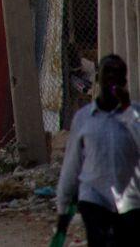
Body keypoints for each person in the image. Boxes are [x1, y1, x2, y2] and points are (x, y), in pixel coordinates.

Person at [56, 54, 140, 245]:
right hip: (94, 197)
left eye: (117, 74)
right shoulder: (84, 118)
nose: (112, 78)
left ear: (124, 81)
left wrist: (127, 111)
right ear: (97, 78)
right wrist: (63, 209)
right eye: (107, 72)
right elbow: (72, 164)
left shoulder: (134, 113)